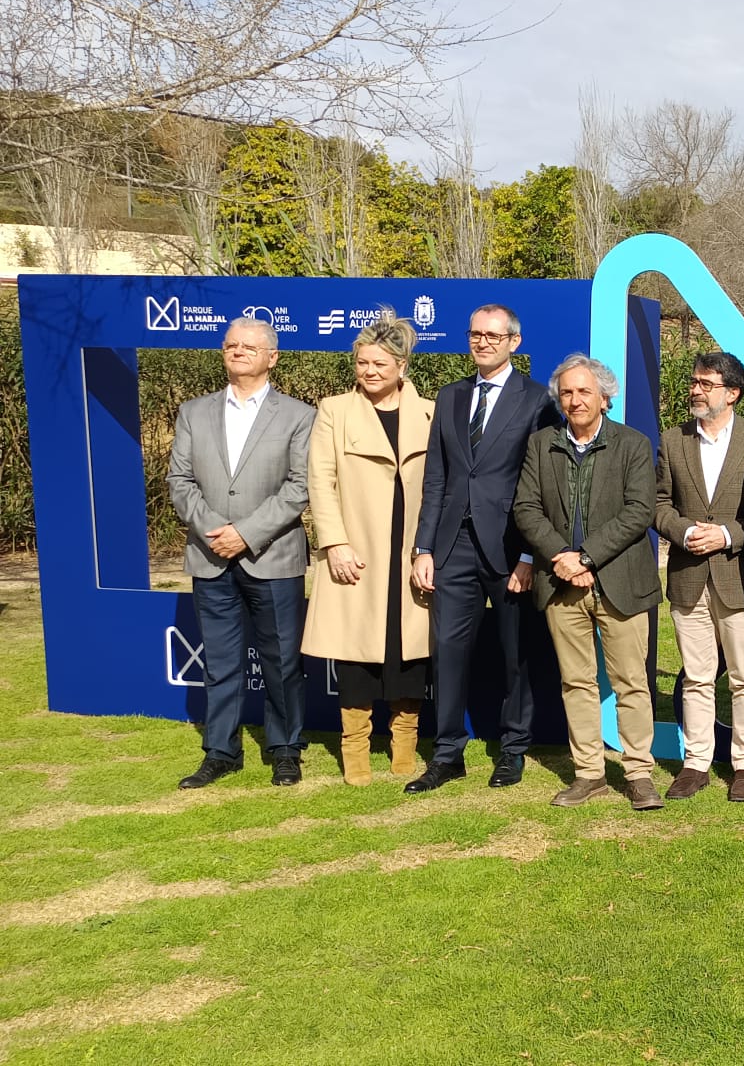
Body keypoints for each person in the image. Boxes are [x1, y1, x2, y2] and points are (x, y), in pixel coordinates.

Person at [408, 303, 559, 793]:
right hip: (453, 546)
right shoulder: (450, 396)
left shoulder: (537, 400)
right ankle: (447, 753)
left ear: (514, 341)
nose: (483, 342)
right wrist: (423, 546)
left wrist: (532, 555)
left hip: (512, 548)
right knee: (448, 651)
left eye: (494, 336)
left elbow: (544, 484)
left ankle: (513, 750)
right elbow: (437, 478)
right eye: (475, 334)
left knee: (516, 652)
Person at [166, 316, 316, 788]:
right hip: (211, 557)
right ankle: (221, 751)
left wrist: (247, 533)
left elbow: (300, 487)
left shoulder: (299, 415)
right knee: (221, 661)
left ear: (272, 357)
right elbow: (180, 481)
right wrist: (217, 531)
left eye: (249, 346)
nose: (237, 351)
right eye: (230, 344)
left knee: (282, 661)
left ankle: (285, 748)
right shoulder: (194, 412)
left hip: (272, 556)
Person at [513, 354, 665, 811]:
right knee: (575, 682)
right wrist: (561, 558)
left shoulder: (633, 444)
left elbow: (639, 511)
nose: (575, 400)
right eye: (567, 393)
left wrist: (586, 556)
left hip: (618, 581)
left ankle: (639, 773)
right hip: (562, 584)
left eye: (584, 392)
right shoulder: (542, 444)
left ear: (605, 397)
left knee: (631, 682)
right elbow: (526, 508)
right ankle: (589, 773)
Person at [302, 313, 436, 786]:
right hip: (356, 554)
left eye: (380, 363)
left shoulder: (431, 412)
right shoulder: (334, 410)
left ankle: (405, 745)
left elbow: (443, 485)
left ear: (402, 366)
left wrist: (432, 547)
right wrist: (334, 542)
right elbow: (320, 481)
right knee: (355, 656)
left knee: (411, 653)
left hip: (412, 553)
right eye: (362, 362)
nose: (369, 370)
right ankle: (354, 749)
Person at [654, 350, 744, 802]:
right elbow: (657, 503)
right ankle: (696, 762)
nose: (696, 390)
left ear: (733, 392)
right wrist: (684, 531)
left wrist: (726, 534)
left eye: (706, 383)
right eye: (695, 381)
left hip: (739, 574)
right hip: (688, 576)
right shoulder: (672, 439)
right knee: (697, 676)